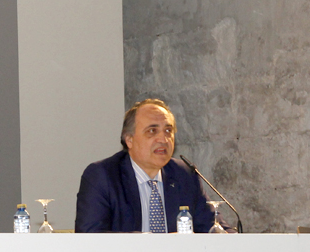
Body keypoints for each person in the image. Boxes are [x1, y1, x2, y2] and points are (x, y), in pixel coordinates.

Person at [75, 98, 230, 233]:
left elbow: (214, 228)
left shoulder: (185, 175)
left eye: (168, 130)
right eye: (152, 131)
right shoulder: (102, 176)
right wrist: (152, 242)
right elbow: (91, 236)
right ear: (129, 140)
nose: (163, 139)